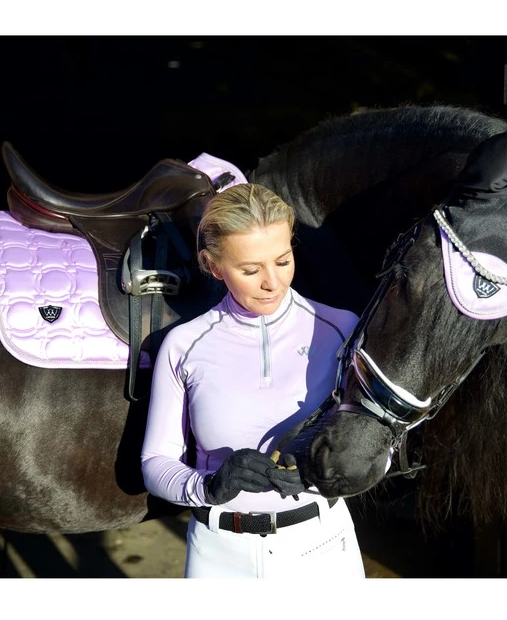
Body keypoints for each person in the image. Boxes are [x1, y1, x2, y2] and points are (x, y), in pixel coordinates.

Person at [141, 182, 366, 578]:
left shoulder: (342, 329)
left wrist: (321, 470)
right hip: (218, 554)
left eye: (283, 260)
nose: (272, 282)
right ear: (214, 267)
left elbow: (381, 447)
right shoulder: (183, 345)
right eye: (250, 270)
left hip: (323, 546)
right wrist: (208, 486)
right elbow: (155, 462)